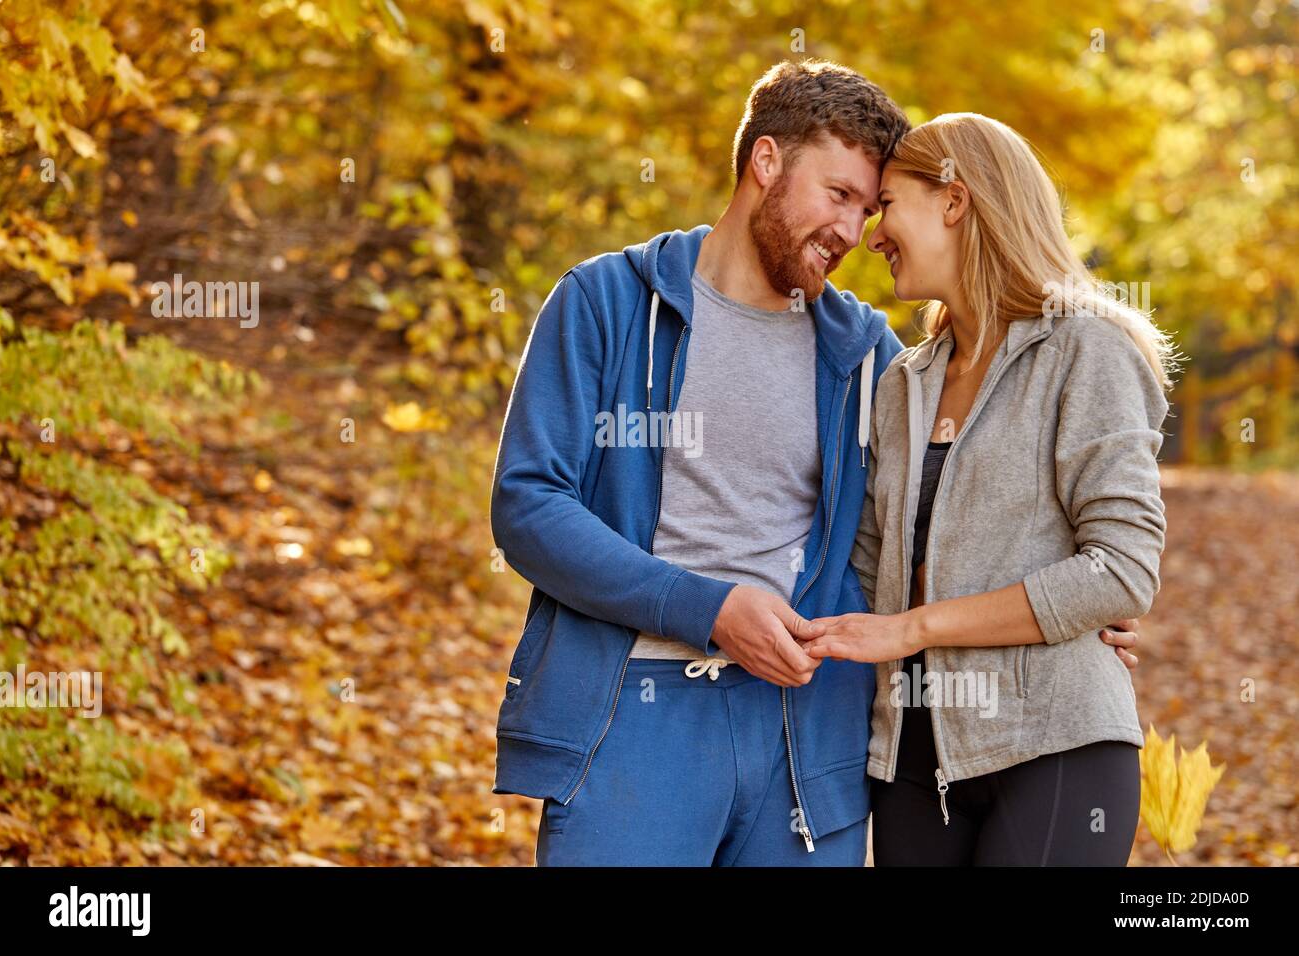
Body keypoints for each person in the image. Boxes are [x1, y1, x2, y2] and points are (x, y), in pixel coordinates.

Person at [490, 63, 1140, 867]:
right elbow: (528, 506)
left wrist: (1071, 614)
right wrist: (707, 608)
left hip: (807, 739)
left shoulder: (868, 354)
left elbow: (919, 527)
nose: (856, 231)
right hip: (633, 715)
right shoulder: (609, 304)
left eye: (871, 207)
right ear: (766, 162)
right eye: (839, 196)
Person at [803, 112, 1176, 865]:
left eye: (885, 206)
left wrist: (918, 627)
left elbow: (1121, 569)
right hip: (910, 761)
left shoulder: (1085, 351)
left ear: (954, 200)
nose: (872, 235)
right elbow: (872, 573)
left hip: (1055, 744)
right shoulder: (903, 384)